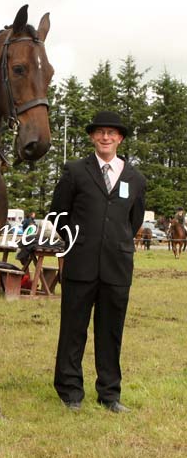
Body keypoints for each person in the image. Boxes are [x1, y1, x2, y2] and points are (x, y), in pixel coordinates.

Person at [50, 111, 146, 413]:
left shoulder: (135, 178)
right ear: (93, 137)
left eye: (112, 133)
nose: (106, 137)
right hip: (80, 265)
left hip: (117, 268)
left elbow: (134, 221)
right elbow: (58, 214)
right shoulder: (75, 171)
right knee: (73, 330)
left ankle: (109, 394)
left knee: (111, 332)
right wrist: (77, 242)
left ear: (120, 138)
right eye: (100, 132)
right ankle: (70, 392)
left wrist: (114, 243)